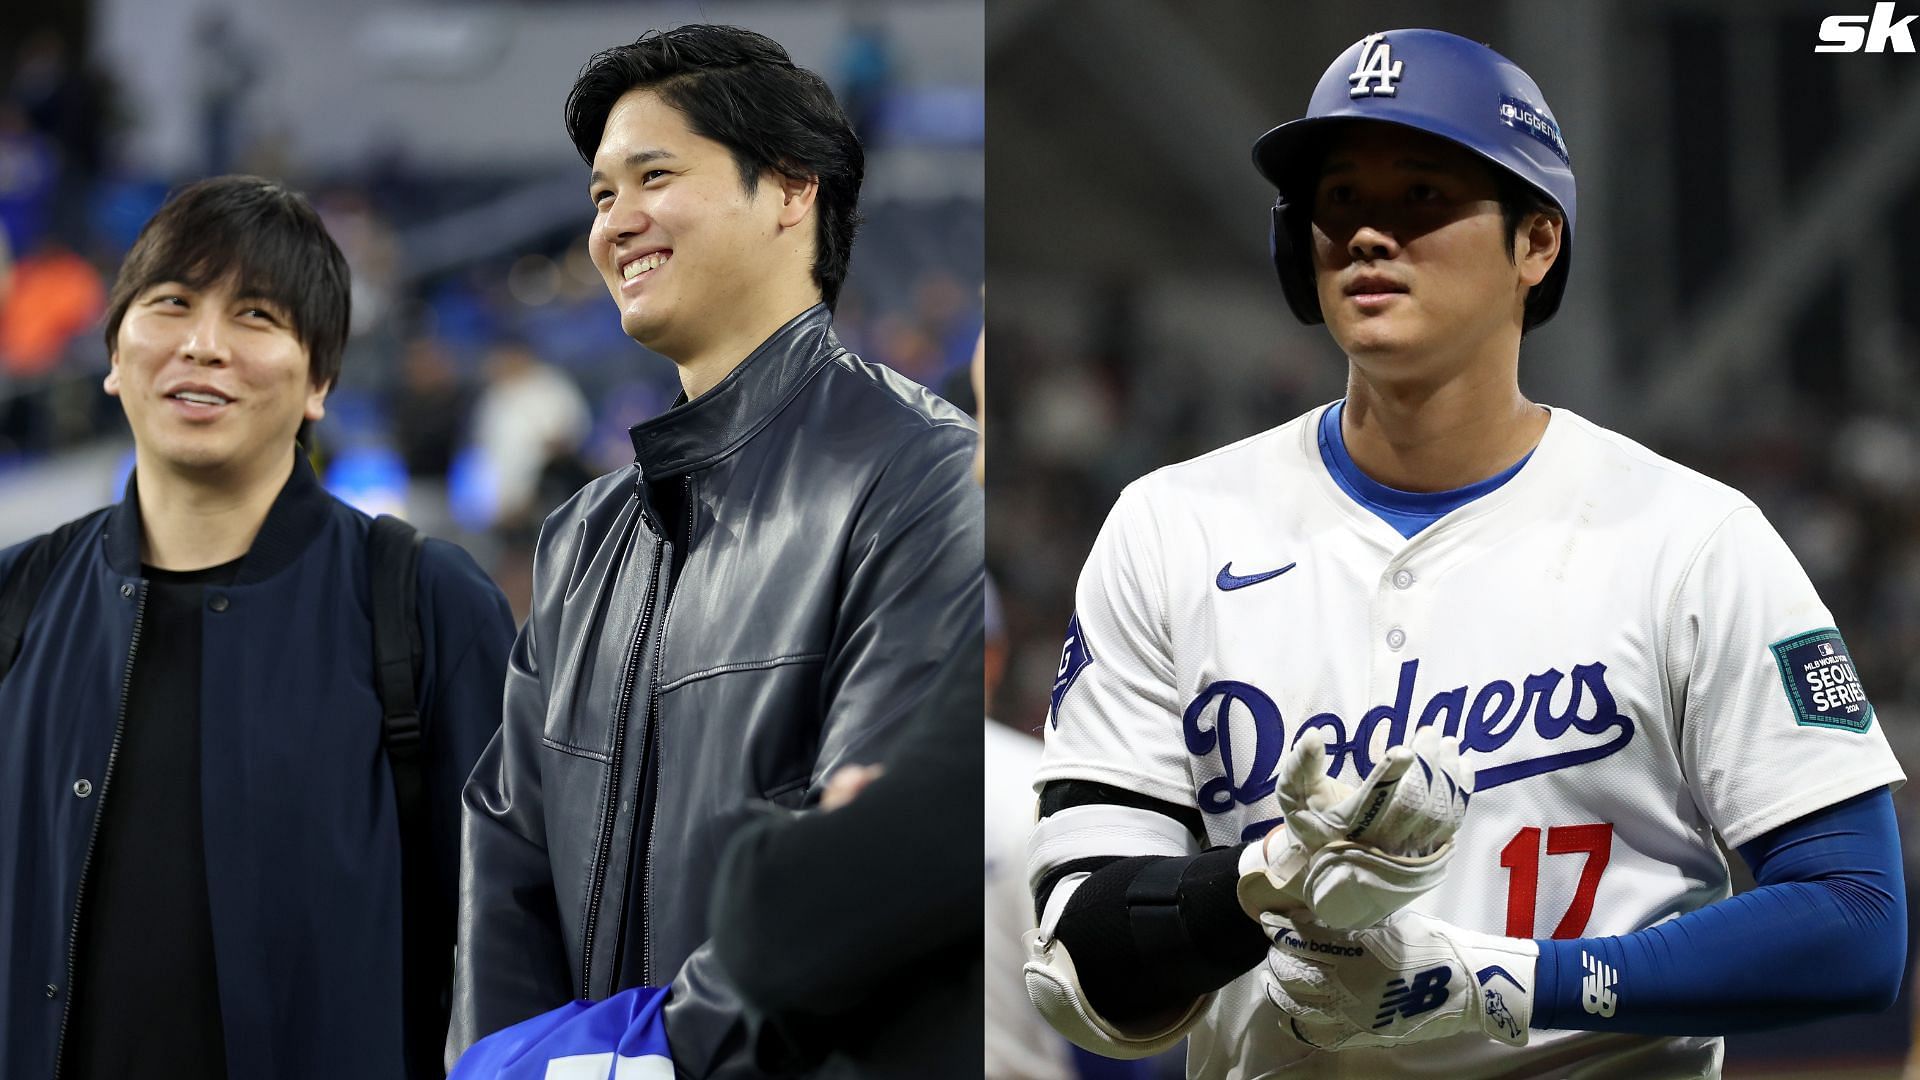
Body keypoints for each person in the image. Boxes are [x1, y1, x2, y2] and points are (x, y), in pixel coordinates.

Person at [1023, 28, 1907, 1079]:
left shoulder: (1691, 540)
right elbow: (1078, 963)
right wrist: (1264, 876)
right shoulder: (1171, 527)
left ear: (1536, 244)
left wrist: (1508, 983)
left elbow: (1855, 920)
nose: (1366, 235)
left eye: (1423, 199)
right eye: (1340, 199)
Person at [448, 24, 982, 1077]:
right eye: (602, 195)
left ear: (793, 191)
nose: (615, 223)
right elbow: (505, 864)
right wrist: (514, 1064)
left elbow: (870, 858)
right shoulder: (582, 535)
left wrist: (653, 1061)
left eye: (654, 175)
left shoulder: (922, 478)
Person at [0, 175, 515, 1078]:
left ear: (319, 379)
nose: (203, 346)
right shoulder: (20, 599)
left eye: (256, 316)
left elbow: (510, 957)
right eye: (171, 303)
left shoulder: (422, 604)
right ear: (115, 354)